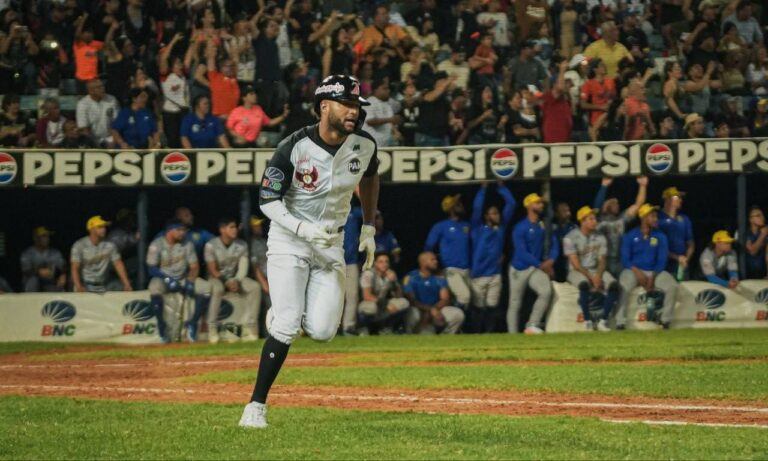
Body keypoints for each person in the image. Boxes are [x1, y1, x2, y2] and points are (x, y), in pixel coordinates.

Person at [239, 75, 379, 429]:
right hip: (291, 238)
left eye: (356, 106)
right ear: (324, 106)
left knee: (321, 330)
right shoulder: (293, 146)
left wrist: (368, 226)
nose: (353, 112)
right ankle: (255, 407)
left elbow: (371, 176)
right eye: (347, 104)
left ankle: (284, 311)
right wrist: (302, 228)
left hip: (331, 243)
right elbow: (266, 200)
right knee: (287, 324)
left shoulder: (364, 145)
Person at [617, 204, 678, 330]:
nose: (656, 219)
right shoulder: (630, 235)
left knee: (672, 286)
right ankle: (620, 322)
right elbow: (625, 259)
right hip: (633, 269)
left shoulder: (660, 236)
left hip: (655, 271)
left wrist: (653, 277)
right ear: (643, 218)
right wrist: (637, 272)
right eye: (652, 216)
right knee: (623, 286)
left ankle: (665, 320)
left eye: (656, 216)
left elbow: (662, 259)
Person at [147, 219, 208, 344]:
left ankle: (192, 323)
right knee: (154, 287)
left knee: (206, 288)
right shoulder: (157, 244)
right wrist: (167, 279)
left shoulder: (187, 244)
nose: (182, 233)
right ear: (170, 230)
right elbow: (151, 268)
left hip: (182, 278)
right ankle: (162, 326)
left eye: (183, 230)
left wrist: (190, 281)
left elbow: (194, 266)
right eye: (179, 230)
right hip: (163, 277)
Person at [203, 217, 261, 344]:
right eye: (231, 227)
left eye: (235, 227)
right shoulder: (211, 245)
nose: (235, 230)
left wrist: (236, 280)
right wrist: (226, 281)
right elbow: (212, 270)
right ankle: (212, 330)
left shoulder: (242, 244)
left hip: (236, 278)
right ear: (222, 230)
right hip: (216, 279)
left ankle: (251, 329)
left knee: (254, 287)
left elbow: (243, 267)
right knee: (217, 289)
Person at [507, 193, 559, 334]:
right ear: (529, 205)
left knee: (545, 291)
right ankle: (512, 335)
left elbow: (555, 244)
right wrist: (542, 265)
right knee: (515, 303)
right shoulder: (520, 227)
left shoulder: (543, 225)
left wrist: (551, 260)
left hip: (535, 267)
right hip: (519, 268)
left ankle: (532, 325)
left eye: (541, 203)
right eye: (537, 203)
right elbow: (522, 252)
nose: (541, 205)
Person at [469, 182, 515, 333]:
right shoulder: (477, 229)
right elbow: (476, 208)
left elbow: (511, 204)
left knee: (492, 306)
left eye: (498, 212)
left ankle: (488, 334)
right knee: (478, 307)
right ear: (486, 216)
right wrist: (483, 189)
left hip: (495, 273)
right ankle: (476, 333)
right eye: (494, 213)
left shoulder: (500, 229)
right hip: (479, 274)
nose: (498, 215)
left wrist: (502, 187)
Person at [564, 207, 619, 332]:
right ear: (582, 221)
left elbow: (602, 260)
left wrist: (598, 276)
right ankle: (587, 320)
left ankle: (603, 320)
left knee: (614, 285)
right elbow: (576, 264)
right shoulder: (569, 237)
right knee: (584, 284)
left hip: (595, 269)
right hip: (576, 271)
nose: (595, 221)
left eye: (595, 218)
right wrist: (591, 277)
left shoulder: (600, 237)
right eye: (591, 219)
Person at [593, 176, 648, 277]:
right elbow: (596, 207)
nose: (617, 205)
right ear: (606, 206)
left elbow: (638, 205)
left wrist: (642, 185)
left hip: (620, 259)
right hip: (604, 259)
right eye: (614, 203)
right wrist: (604, 186)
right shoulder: (598, 220)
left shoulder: (621, 220)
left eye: (617, 203)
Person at [424, 194, 471, 310]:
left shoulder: (467, 225)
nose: (461, 206)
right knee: (465, 297)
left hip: (468, 269)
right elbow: (428, 247)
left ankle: (457, 324)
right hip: (451, 269)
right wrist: (435, 268)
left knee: (468, 301)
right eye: (457, 204)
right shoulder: (441, 226)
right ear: (451, 208)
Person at [403, 252, 465, 334]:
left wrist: (433, 310)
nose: (436, 261)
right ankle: (408, 336)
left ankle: (446, 339)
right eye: (432, 260)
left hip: (437, 310)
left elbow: (445, 299)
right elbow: (411, 300)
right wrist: (429, 310)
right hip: (420, 312)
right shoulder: (410, 277)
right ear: (423, 262)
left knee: (457, 314)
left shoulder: (440, 277)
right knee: (412, 312)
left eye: (436, 259)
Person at [70, 216, 132, 293]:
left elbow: (118, 264)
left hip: (104, 284)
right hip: (86, 284)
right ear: (91, 229)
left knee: (120, 287)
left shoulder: (110, 245)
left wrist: (126, 284)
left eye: (104, 227)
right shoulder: (79, 245)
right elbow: (75, 267)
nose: (104, 229)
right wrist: (78, 286)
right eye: (100, 227)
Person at [358, 253, 410, 334]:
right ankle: (365, 328)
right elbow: (367, 296)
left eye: (386, 262)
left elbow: (399, 296)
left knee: (404, 302)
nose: (384, 264)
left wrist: (394, 283)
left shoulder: (390, 273)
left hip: (383, 304)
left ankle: (386, 328)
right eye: (381, 262)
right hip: (370, 303)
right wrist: (385, 305)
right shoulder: (368, 274)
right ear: (375, 263)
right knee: (371, 308)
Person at [658, 187, 694, 279]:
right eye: (677, 197)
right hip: (663, 267)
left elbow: (690, 243)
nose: (681, 200)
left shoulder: (685, 219)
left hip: (681, 266)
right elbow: (656, 246)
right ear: (668, 199)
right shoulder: (657, 219)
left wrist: (686, 259)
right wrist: (677, 257)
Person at [20, 227, 66, 293]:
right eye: (43, 236)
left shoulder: (55, 253)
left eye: (47, 237)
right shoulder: (28, 253)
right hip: (32, 284)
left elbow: (63, 267)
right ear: (35, 238)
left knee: (60, 284)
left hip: (50, 282)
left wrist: (63, 275)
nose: (46, 239)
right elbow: (26, 270)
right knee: (33, 280)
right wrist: (38, 272)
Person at [76, 79, 119, 147]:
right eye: (99, 87)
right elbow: (84, 129)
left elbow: (116, 123)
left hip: (110, 137)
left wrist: (114, 141)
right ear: (91, 91)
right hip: (92, 139)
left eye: (102, 86)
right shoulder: (82, 104)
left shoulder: (112, 99)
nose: (103, 88)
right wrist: (95, 145)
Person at [362, 77, 399, 147]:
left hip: (386, 143)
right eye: (384, 88)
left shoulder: (386, 104)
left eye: (388, 88)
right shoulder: (370, 102)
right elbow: (370, 121)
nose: (388, 91)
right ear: (375, 90)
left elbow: (390, 123)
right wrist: (390, 120)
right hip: (371, 144)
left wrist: (396, 132)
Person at [249, 216, 270, 307]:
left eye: (259, 225)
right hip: (262, 279)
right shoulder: (250, 244)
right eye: (256, 226)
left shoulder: (264, 241)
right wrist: (264, 283)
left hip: (272, 276)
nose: (259, 228)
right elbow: (255, 267)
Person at [744, 206, 767, 279]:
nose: (762, 217)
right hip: (747, 274)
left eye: (762, 215)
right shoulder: (745, 233)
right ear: (751, 219)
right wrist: (763, 235)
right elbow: (752, 251)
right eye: (758, 216)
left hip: (763, 274)